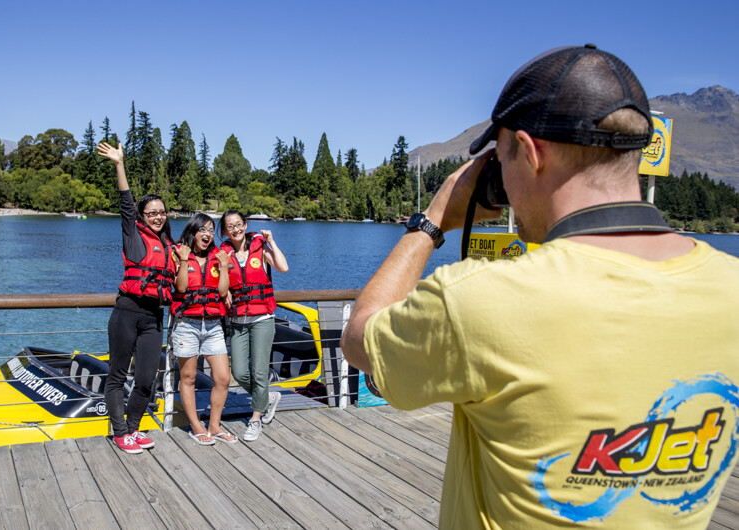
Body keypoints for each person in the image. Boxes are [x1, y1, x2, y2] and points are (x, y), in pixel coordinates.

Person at [341, 45, 739, 529]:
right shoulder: (730, 288)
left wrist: (433, 221)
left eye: (500, 160)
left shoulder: (481, 300)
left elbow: (359, 339)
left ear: (530, 153)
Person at [97, 140, 176, 454]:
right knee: (117, 375)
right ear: (142, 216)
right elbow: (125, 202)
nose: (158, 217)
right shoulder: (132, 234)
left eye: (161, 212)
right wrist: (120, 164)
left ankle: (133, 428)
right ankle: (120, 433)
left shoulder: (169, 246)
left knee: (146, 378)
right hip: (127, 312)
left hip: (154, 316)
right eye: (151, 213)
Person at [219, 211, 288, 442]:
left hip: (262, 319)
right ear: (225, 231)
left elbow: (283, 268)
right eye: (230, 226)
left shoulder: (260, 247)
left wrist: (272, 242)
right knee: (239, 371)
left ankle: (255, 419)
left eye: (239, 224)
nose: (236, 229)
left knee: (259, 371)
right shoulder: (224, 254)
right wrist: (226, 291)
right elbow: (219, 281)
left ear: (245, 225)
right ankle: (268, 398)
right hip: (238, 320)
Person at [171, 213, 235, 445]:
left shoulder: (218, 257)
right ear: (193, 231)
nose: (207, 234)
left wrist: (224, 266)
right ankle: (196, 426)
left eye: (211, 230)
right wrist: (184, 260)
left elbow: (222, 291)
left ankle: (214, 426)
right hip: (186, 324)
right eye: (203, 229)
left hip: (213, 325)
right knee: (188, 377)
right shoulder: (179, 254)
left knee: (223, 377)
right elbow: (181, 287)